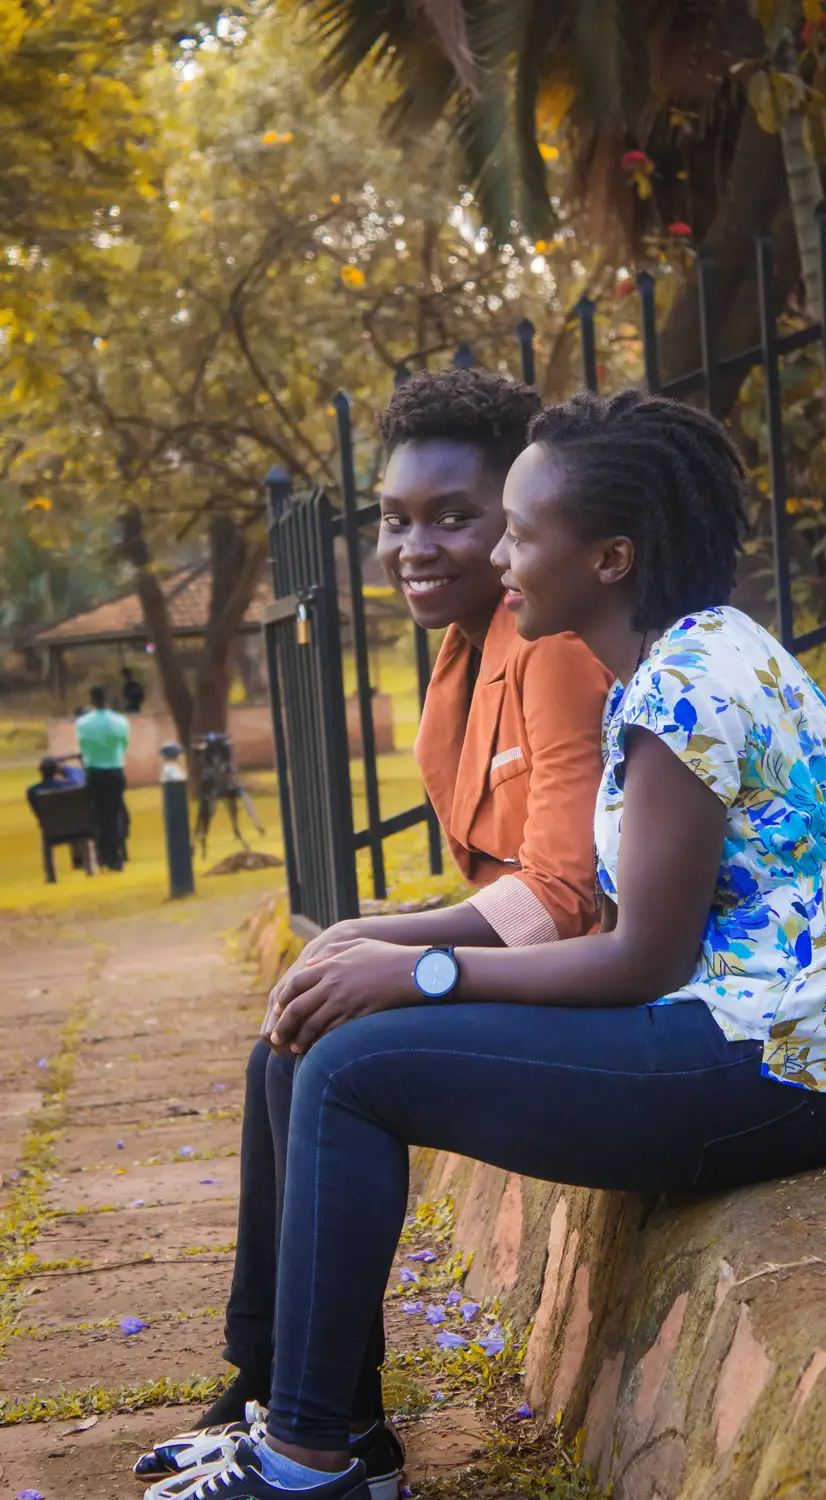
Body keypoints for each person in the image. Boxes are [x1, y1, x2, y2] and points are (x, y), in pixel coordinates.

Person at [153, 390, 826, 1500]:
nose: (497, 559)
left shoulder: (684, 689)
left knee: (355, 1069)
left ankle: (311, 1458)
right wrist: (399, 966)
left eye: (515, 532)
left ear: (609, 557)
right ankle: (321, 1431)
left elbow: (636, 959)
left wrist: (417, 969)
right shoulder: (693, 658)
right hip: (760, 1045)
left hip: (781, 1069)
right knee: (337, 1045)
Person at [136, 369, 612, 1493]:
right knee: (285, 1042)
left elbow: (562, 894)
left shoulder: (548, 646)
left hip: (585, 979)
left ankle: (323, 1440)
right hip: (524, 964)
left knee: (334, 1048)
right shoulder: (456, 664)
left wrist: (387, 949)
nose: (416, 546)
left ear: (519, 523)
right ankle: (291, 1393)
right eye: (396, 520)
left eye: (456, 517)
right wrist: (368, 942)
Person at [76, 686, 130, 870]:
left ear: (91, 700)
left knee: (98, 814)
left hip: (94, 772)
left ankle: (102, 854)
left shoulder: (82, 723)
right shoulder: (120, 721)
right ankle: (115, 856)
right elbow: (124, 745)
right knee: (113, 813)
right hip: (115, 770)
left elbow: (83, 745)